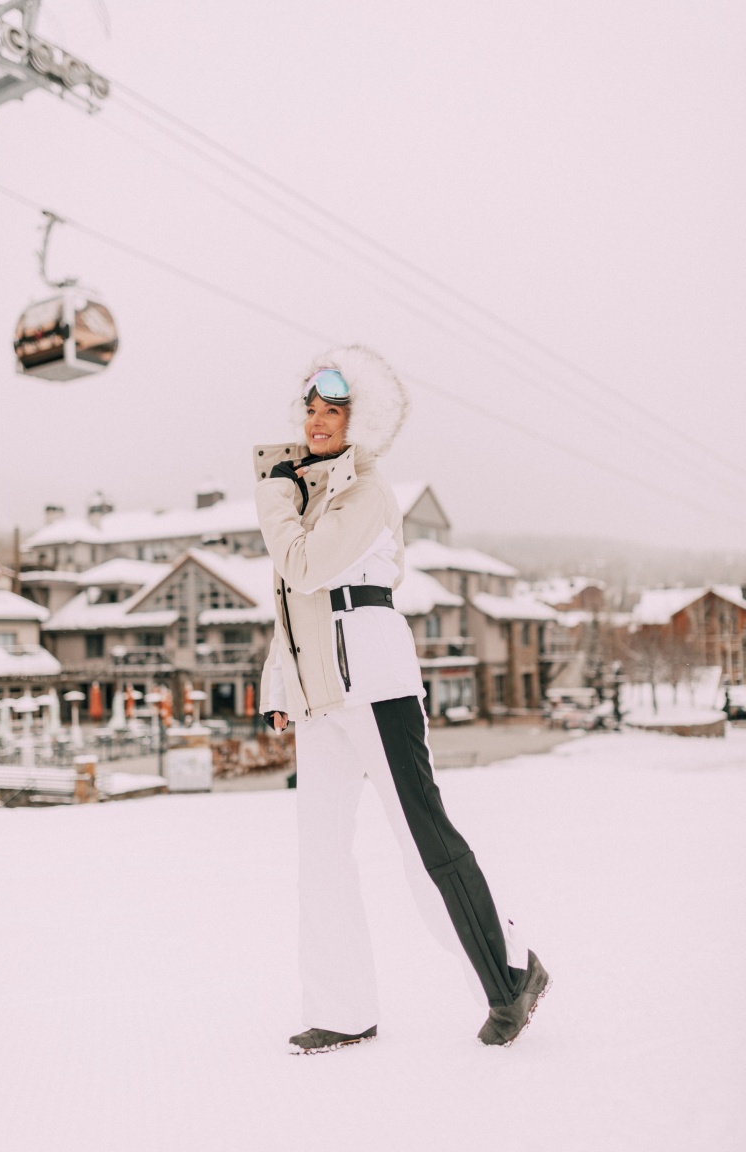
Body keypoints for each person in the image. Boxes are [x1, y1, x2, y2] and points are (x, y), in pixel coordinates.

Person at [254, 345, 551, 1054]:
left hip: (376, 683)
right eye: (312, 409)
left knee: (424, 841)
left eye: (335, 411)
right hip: (319, 691)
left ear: (362, 423)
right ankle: (343, 1007)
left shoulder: (363, 492)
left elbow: (303, 563)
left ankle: (511, 974)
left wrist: (271, 490)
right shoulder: (313, 492)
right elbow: (294, 603)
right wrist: (278, 685)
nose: (319, 421)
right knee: (319, 853)